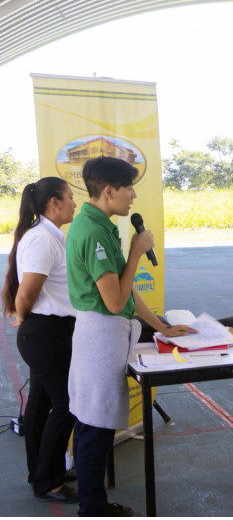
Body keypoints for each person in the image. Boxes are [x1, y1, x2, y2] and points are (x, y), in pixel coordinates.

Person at [66, 156, 196, 517]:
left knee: (96, 423)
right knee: (94, 427)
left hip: (106, 333)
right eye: (128, 188)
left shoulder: (100, 224)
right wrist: (138, 251)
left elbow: (128, 292)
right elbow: (114, 300)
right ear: (109, 191)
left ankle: (94, 503)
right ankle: (92, 508)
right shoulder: (93, 232)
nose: (134, 195)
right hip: (100, 335)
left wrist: (163, 327)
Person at [1, 178, 78, 503]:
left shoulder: (50, 236)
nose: (74, 203)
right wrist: (22, 315)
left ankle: (41, 472)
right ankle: (49, 480)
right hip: (45, 334)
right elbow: (27, 292)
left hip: (51, 332)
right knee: (66, 405)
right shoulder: (42, 239)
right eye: (70, 197)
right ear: (54, 204)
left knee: (40, 406)